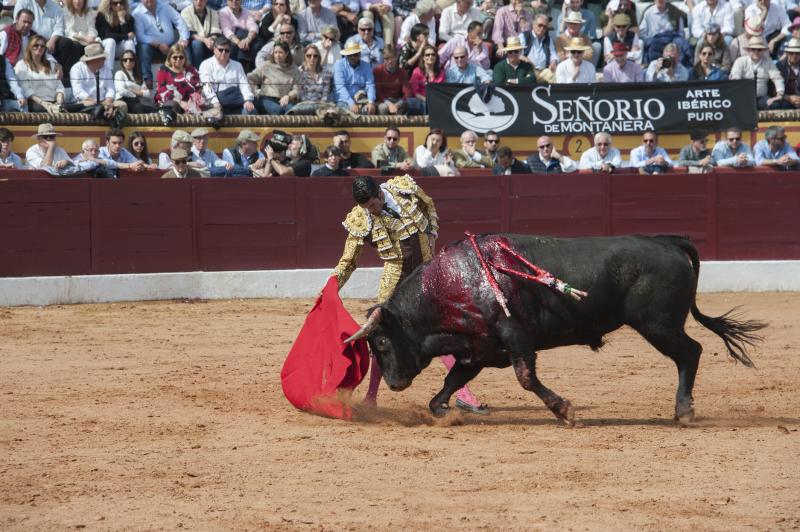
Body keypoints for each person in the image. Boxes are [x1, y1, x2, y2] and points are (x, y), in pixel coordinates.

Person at [331, 175, 488, 414]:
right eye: (367, 208)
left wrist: (432, 235)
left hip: (427, 272)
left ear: (379, 193)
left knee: (441, 331)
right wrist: (331, 286)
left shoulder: (404, 189)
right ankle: (371, 396)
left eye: (373, 205)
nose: (372, 211)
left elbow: (429, 205)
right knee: (382, 337)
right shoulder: (360, 218)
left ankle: (463, 393)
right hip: (394, 280)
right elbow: (349, 260)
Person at [14, 0, 85, 86]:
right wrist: (40, 40)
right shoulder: (23, 2)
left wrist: (52, 40)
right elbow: (19, 24)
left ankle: (66, 84)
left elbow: (59, 27)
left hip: (51, 40)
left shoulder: (55, 6)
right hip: (30, 37)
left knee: (72, 45)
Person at [133, 0, 191, 86]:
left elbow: (179, 20)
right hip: (152, 47)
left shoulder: (165, 6)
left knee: (184, 48)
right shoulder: (137, 13)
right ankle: (147, 80)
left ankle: (190, 77)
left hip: (171, 47)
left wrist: (184, 38)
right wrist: (158, 45)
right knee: (143, 47)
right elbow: (140, 36)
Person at [199, 36, 256, 116]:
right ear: (214, 50)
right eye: (220, 50)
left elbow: (244, 84)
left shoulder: (237, 65)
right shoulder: (206, 64)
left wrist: (248, 100)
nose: (223, 53)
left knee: (250, 109)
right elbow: (207, 86)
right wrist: (215, 102)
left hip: (236, 100)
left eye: (227, 50)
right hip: (216, 102)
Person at [155, 43, 211, 124]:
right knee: (173, 105)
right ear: (169, 58)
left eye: (181, 57)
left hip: (190, 102)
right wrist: (181, 102)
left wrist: (194, 99)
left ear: (185, 58)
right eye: (175, 57)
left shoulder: (191, 69)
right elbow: (162, 92)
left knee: (211, 106)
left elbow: (198, 86)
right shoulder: (163, 70)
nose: (178, 59)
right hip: (171, 101)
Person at [70, 43, 127, 120]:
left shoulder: (106, 69)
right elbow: (78, 91)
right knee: (88, 105)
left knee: (122, 105)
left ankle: (114, 126)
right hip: (86, 102)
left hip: (105, 102)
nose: (105, 59)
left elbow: (110, 88)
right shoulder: (76, 69)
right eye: (102, 58)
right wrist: (96, 102)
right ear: (94, 60)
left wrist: (108, 101)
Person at [729, 36, 788, 110]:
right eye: (753, 49)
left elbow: (777, 78)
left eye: (759, 49)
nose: (756, 52)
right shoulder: (740, 61)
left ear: (763, 51)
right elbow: (735, 79)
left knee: (774, 105)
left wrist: (780, 94)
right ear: (748, 50)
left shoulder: (768, 62)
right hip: (743, 97)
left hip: (762, 98)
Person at [248, 41, 300, 115]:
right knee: (278, 111)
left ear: (287, 53)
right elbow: (251, 77)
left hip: (286, 100)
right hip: (267, 98)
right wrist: (255, 91)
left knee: (292, 111)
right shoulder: (266, 66)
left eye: (280, 52)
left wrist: (288, 96)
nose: (277, 55)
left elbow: (297, 88)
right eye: (275, 52)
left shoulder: (294, 69)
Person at [65, 0, 113, 72]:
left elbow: (92, 29)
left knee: (109, 42)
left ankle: (106, 71)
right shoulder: (67, 14)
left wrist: (90, 38)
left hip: (90, 40)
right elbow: (69, 32)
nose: (78, 2)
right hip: (77, 40)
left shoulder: (89, 13)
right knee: (76, 45)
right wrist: (84, 38)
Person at [372, 45, 418, 115]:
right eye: (387, 58)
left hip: (398, 100)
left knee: (411, 104)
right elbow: (378, 93)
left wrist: (397, 105)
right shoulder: (377, 71)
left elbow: (407, 93)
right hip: (383, 101)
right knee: (383, 108)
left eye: (392, 57)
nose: (390, 61)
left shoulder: (402, 72)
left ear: (396, 57)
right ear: (383, 59)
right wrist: (389, 104)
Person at [333, 42, 377, 114]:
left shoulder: (367, 66)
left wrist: (371, 102)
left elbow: (370, 85)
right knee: (347, 113)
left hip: (361, 100)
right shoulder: (339, 65)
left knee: (368, 110)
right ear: (346, 55)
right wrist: (351, 103)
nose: (352, 57)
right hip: (343, 101)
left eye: (355, 54)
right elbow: (340, 87)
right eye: (350, 55)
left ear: (360, 54)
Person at [290, 44, 333, 115]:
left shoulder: (325, 72)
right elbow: (300, 94)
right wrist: (313, 103)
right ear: (305, 56)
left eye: (315, 56)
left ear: (318, 57)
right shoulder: (300, 72)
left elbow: (325, 92)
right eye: (309, 56)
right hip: (305, 105)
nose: (312, 58)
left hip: (321, 105)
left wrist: (321, 103)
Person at [219, 0, 260, 70]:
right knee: (240, 33)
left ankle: (248, 67)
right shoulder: (223, 12)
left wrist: (247, 40)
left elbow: (253, 26)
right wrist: (239, 42)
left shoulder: (246, 12)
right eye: (231, 0)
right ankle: (244, 67)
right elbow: (226, 31)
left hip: (245, 40)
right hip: (231, 39)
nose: (234, 1)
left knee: (257, 42)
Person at [96, 0, 137, 69]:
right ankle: (107, 73)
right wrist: (125, 36)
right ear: (109, 4)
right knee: (110, 41)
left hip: (118, 47)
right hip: (105, 47)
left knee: (129, 43)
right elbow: (107, 35)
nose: (119, 5)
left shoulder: (129, 18)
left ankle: (131, 73)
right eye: (115, 3)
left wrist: (122, 21)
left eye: (121, 2)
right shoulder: (102, 16)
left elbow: (130, 37)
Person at [181, 0, 221, 66]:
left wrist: (212, 40)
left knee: (219, 43)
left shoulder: (213, 13)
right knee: (197, 43)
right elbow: (189, 33)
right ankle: (197, 68)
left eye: (201, 0)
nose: (199, 2)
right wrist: (205, 40)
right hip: (190, 43)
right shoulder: (185, 12)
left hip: (208, 43)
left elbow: (215, 31)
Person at [408, 44, 444, 112]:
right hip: (421, 101)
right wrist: (426, 100)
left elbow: (442, 91)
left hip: (436, 101)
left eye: (433, 54)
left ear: (436, 57)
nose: (430, 56)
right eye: (427, 55)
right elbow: (414, 92)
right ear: (423, 58)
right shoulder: (417, 71)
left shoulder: (441, 73)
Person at [523, 14, 558, 83]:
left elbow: (553, 55)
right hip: (528, 71)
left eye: (545, 27)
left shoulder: (548, 39)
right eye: (540, 25)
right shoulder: (524, 36)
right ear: (533, 24)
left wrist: (553, 62)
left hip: (543, 71)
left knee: (556, 76)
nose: (542, 28)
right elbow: (518, 54)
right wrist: (526, 60)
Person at [0, 42, 27, 112]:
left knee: (23, 105)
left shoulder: (4, 60)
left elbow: (12, 80)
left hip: (4, 100)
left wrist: (20, 96)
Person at [777, 38, 800, 108]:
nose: (794, 55)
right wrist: (788, 98)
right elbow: (774, 90)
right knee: (784, 106)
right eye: (791, 53)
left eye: (797, 53)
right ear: (787, 53)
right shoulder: (779, 66)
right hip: (785, 99)